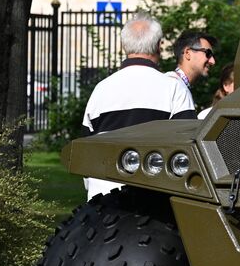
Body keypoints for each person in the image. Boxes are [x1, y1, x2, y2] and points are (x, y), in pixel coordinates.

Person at [81, 16, 199, 198]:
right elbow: (188, 148)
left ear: (124, 46)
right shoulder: (174, 88)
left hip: (102, 198)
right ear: (159, 46)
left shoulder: (101, 89)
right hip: (154, 198)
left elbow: (85, 151)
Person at [171, 30, 218, 96]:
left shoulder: (178, 86)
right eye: (208, 53)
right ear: (187, 53)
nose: (213, 61)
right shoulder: (172, 87)